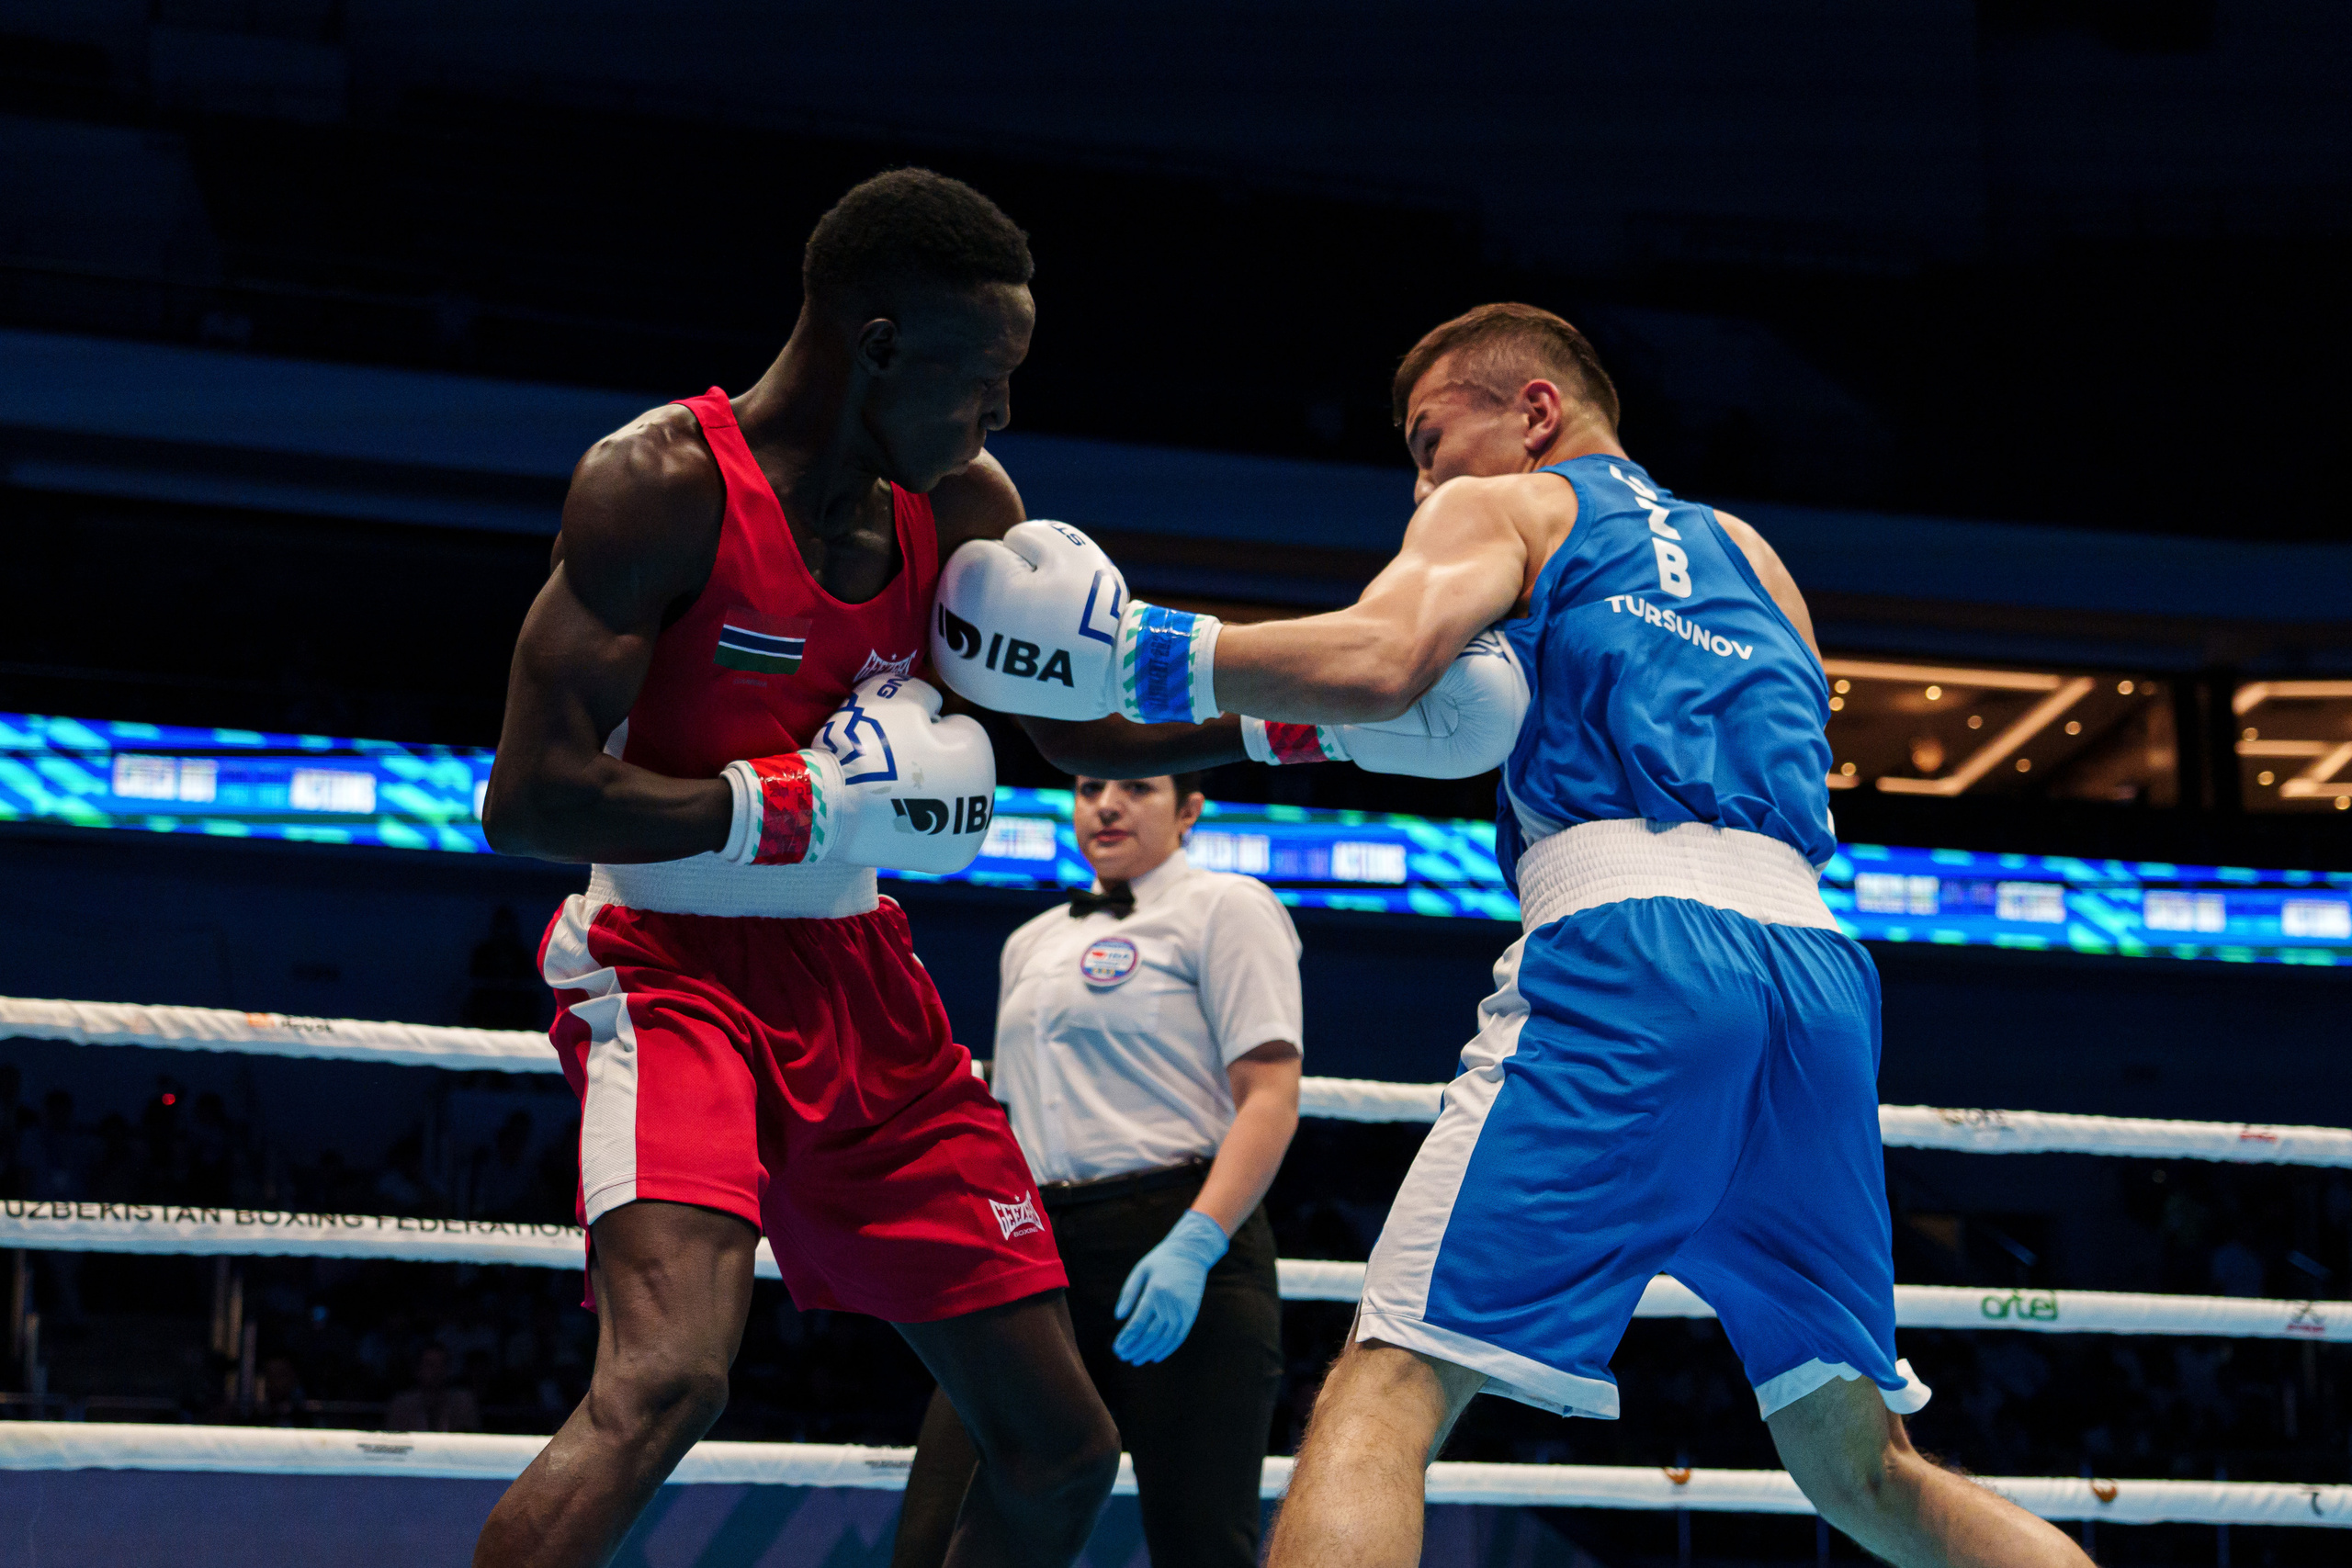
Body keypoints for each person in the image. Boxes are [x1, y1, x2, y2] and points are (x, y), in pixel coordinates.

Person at [931, 302, 2096, 1568]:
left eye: (1433, 441)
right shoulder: (1757, 558)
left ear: (1533, 410)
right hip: (1816, 977)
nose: (1422, 482)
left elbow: (1381, 659)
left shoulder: (1514, 505)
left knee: (1383, 1393)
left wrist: (1134, 654)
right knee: (1866, 1469)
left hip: (1633, 951)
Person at [474, 166, 1240, 1568]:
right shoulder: (657, 486)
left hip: (859, 983)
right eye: (986, 376)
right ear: (880, 343)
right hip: (669, 966)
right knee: (667, 1379)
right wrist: (792, 809)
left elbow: (1079, 728)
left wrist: (1327, 714)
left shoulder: (959, 501)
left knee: (1063, 1449)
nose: (1001, 413)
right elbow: (529, 798)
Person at [895, 772, 1303, 1568]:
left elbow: (1270, 1095)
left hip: (1181, 1231)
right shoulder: (1030, 940)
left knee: (1201, 1541)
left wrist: (1198, 1239)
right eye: (1088, 788)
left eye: (1137, 788)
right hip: (1033, 1244)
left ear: (1190, 809)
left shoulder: (1228, 905)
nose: (1106, 805)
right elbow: (1007, 1118)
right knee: (942, 1517)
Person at [386, 1344, 481, 1433]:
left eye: (441, 1364)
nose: (436, 1371)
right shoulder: (402, 1404)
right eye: (430, 1365)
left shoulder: (463, 1402)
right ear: (419, 1368)